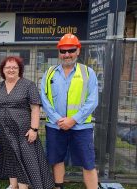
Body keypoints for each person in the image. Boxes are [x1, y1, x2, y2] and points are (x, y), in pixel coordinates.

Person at [40, 33, 99, 189]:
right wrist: (59, 119)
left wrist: (73, 120)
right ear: (59, 52)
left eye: (71, 50)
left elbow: (92, 100)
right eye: (63, 51)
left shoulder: (88, 73)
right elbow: (44, 99)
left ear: (78, 51)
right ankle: (59, 186)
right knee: (57, 160)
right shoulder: (49, 73)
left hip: (81, 127)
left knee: (88, 163)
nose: (67, 54)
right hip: (55, 126)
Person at [0, 56, 54, 189]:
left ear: (20, 69)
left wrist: (34, 129)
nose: (11, 70)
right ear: (3, 70)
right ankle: (13, 185)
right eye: (8, 67)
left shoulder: (28, 85)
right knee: (10, 157)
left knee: (24, 158)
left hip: (23, 132)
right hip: (3, 131)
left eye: (15, 67)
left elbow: (35, 108)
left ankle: (23, 186)